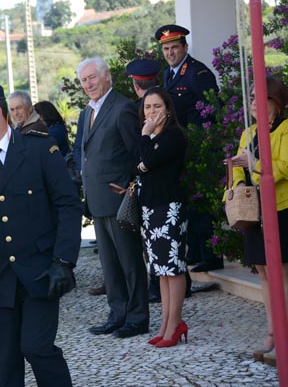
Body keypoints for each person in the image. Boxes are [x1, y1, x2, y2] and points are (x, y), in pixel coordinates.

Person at [0, 81, 82, 387]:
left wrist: (64, 260)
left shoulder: (39, 149)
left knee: (37, 348)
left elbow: (67, 205)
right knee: (4, 361)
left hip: (41, 271)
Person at [74, 57, 149, 338]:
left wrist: (128, 184)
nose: (88, 84)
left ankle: (137, 317)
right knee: (109, 265)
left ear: (107, 76)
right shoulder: (87, 112)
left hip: (118, 199)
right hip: (96, 200)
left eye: (92, 77)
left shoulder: (123, 107)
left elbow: (136, 152)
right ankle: (117, 314)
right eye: (84, 80)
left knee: (130, 262)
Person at [228, 75, 288, 367]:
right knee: (263, 271)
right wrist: (240, 183)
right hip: (255, 212)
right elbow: (239, 167)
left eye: (259, 97)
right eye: (251, 97)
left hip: (281, 208)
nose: (253, 102)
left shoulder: (286, 129)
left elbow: (284, 166)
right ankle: (273, 333)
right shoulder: (248, 133)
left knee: (282, 274)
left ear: (275, 101)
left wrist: (255, 164)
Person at [156, 24, 222, 272]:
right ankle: (195, 251)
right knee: (188, 202)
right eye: (166, 49)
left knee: (201, 204)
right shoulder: (168, 74)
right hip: (181, 148)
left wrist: (200, 139)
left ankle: (211, 254)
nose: (170, 53)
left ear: (185, 47)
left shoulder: (198, 72)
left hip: (199, 148)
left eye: (174, 47)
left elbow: (213, 109)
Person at [137, 87, 189, 347]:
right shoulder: (152, 137)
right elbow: (138, 163)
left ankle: (175, 324)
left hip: (170, 208)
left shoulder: (173, 135)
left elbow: (147, 161)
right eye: (147, 107)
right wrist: (145, 156)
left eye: (157, 106)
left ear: (168, 109)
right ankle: (166, 323)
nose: (152, 112)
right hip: (150, 208)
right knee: (160, 270)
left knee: (173, 267)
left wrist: (145, 138)